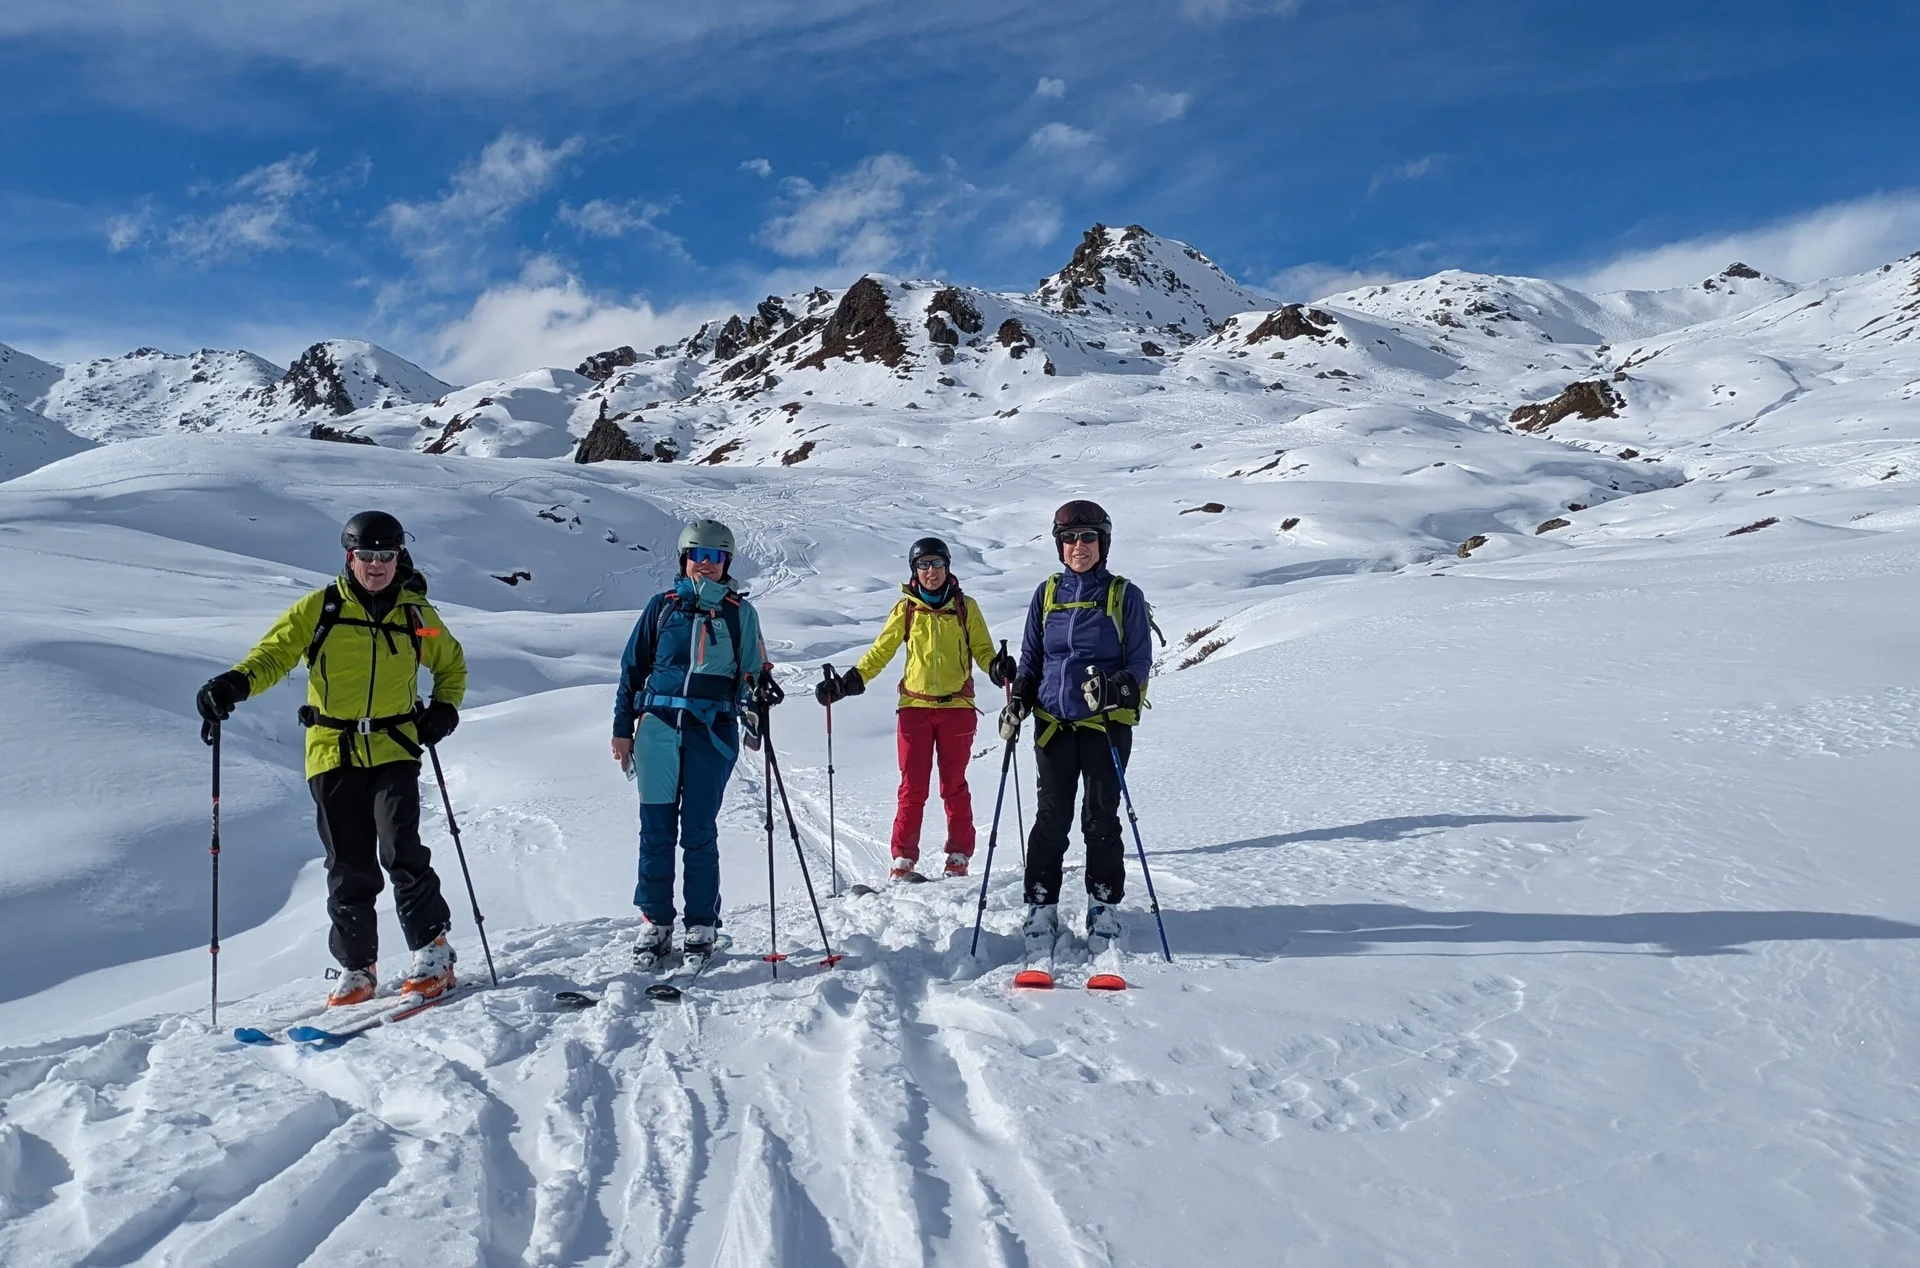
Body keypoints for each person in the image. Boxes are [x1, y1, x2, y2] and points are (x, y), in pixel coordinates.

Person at [194, 511, 467, 1007]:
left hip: (394, 746)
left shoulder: (417, 617)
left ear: (398, 557)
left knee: (401, 850)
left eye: (386, 555)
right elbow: (275, 654)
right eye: (367, 556)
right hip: (331, 750)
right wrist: (233, 684)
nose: (377, 565)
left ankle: (433, 953)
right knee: (347, 864)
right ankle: (358, 968)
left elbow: (449, 660)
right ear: (350, 557)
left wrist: (445, 707)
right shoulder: (320, 610)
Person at [612, 519, 770, 966]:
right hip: (657, 729)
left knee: (699, 830)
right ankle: (655, 922)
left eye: (716, 557)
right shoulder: (661, 608)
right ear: (684, 559)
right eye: (697, 555)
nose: (705, 564)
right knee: (656, 830)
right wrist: (623, 729)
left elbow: (752, 673)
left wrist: (757, 707)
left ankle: (701, 923)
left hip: (711, 732)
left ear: (727, 563)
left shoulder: (740, 613)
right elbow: (631, 670)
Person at [1002, 500, 1153, 954]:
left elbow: (1140, 662)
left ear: (1103, 543)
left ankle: (1103, 905)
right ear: (1059, 545)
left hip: (1105, 726)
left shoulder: (1125, 596)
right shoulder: (1046, 594)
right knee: (1051, 817)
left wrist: (1116, 688)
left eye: (1088, 537)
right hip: (1053, 725)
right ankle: (1041, 906)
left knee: (1101, 817)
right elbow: (1032, 657)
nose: (1079, 546)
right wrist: (1020, 698)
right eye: (1070, 538)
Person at [818, 536, 1013, 881]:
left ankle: (958, 855)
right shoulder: (906, 608)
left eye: (937, 564)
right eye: (923, 565)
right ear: (914, 571)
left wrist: (996, 668)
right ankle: (903, 858)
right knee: (913, 786)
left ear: (947, 567)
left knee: (954, 785)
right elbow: (881, 651)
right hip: (914, 708)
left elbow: (982, 650)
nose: (931, 571)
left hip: (957, 708)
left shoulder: (965, 607)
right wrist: (850, 681)